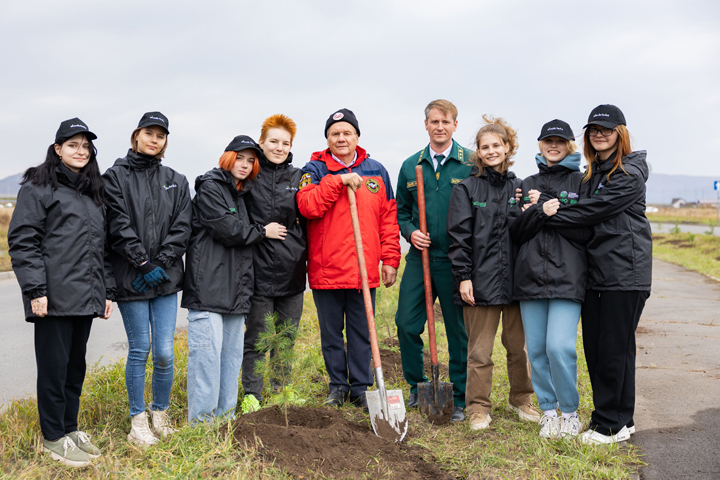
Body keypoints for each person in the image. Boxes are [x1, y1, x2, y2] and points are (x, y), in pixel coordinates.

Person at [534, 105, 651, 444]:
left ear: (621, 134)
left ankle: (607, 425)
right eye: (594, 130)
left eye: (607, 130)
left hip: (625, 273)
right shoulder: (592, 173)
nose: (599, 135)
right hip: (599, 273)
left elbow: (588, 212)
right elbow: (580, 220)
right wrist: (551, 208)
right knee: (606, 350)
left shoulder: (628, 173)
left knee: (611, 351)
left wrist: (543, 212)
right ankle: (622, 420)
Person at [9, 118, 114, 467]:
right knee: (53, 369)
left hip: (84, 297)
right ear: (58, 149)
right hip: (51, 298)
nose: (80, 151)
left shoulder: (91, 194)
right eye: (73, 145)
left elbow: (102, 249)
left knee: (74, 368)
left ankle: (70, 430)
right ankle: (53, 438)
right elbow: (24, 242)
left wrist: (106, 291)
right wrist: (36, 290)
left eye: (85, 146)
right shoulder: (38, 188)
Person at [296, 108, 401, 411]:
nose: (341, 138)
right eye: (334, 134)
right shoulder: (313, 169)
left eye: (346, 133)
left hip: (364, 270)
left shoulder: (377, 171)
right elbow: (308, 207)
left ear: (357, 136)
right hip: (326, 269)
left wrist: (391, 258)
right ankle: (338, 386)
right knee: (331, 334)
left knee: (361, 332)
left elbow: (388, 218)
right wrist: (338, 181)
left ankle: (360, 387)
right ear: (327, 139)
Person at [182, 135, 287, 423]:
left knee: (230, 359)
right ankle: (201, 424)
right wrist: (262, 231)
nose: (244, 164)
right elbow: (227, 228)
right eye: (239, 157)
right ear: (227, 157)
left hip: (237, 292)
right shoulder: (211, 187)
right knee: (206, 359)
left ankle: (226, 419)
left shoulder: (242, 194)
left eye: (251, 160)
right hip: (208, 290)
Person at [103, 112, 192, 446]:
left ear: (166, 142)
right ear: (136, 136)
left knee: (166, 353)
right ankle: (137, 420)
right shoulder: (115, 177)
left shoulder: (176, 179)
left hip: (165, 279)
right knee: (141, 348)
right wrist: (141, 263)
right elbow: (117, 224)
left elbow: (183, 225)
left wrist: (162, 263)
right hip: (132, 278)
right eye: (149, 134)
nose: (155, 140)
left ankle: (160, 411)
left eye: (161, 136)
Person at [447, 115, 539, 430]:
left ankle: (522, 400)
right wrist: (464, 277)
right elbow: (458, 238)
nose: (491, 151)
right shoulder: (466, 189)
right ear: (478, 152)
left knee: (518, 348)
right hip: (480, 284)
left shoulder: (522, 187)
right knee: (480, 352)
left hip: (516, 284)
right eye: (484, 147)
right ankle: (477, 408)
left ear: (507, 147)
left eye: (496, 145)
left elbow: (528, 232)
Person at [394, 99, 472, 421]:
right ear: (425, 125)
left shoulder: (470, 162)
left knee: (457, 332)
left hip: (455, 260)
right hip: (419, 258)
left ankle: (458, 396)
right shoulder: (412, 164)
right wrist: (411, 232)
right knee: (405, 323)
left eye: (446, 121)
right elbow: (400, 211)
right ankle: (417, 385)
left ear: (455, 125)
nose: (440, 126)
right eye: (434, 121)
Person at [508, 120, 587, 439]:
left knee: (560, 346)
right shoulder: (527, 182)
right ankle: (549, 412)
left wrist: (545, 212)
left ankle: (570, 413)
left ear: (569, 145)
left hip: (568, 277)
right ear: (540, 144)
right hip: (530, 278)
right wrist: (539, 212)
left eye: (560, 140)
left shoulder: (582, 181)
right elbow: (516, 231)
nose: (553, 145)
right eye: (547, 140)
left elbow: (585, 228)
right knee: (537, 350)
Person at [240, 115, 307, 412]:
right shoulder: (248, 176)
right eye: (273, 142)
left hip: (292, 271)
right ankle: (251, 395)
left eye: (285, 143)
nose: (279, 148)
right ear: (261, 142)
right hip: (256, 271)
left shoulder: (299, 177)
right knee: (256, 339)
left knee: (286, 339)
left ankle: (282, 392)